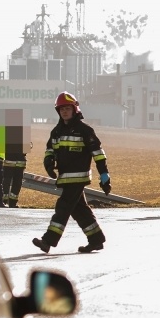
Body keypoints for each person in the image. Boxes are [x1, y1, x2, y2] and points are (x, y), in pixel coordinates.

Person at [32, 92, 110, 254]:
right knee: (79, 210)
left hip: (78, 177)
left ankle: (48, 241)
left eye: (67, 108)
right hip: (65, 177)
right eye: (62, 109)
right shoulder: (56, 132)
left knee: (63, 207)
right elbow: (50, 150)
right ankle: (96, 239)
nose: (64, 112)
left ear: (75, 110)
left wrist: (104, 175)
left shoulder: (85, 130)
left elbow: (98, 154)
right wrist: (48, 162)